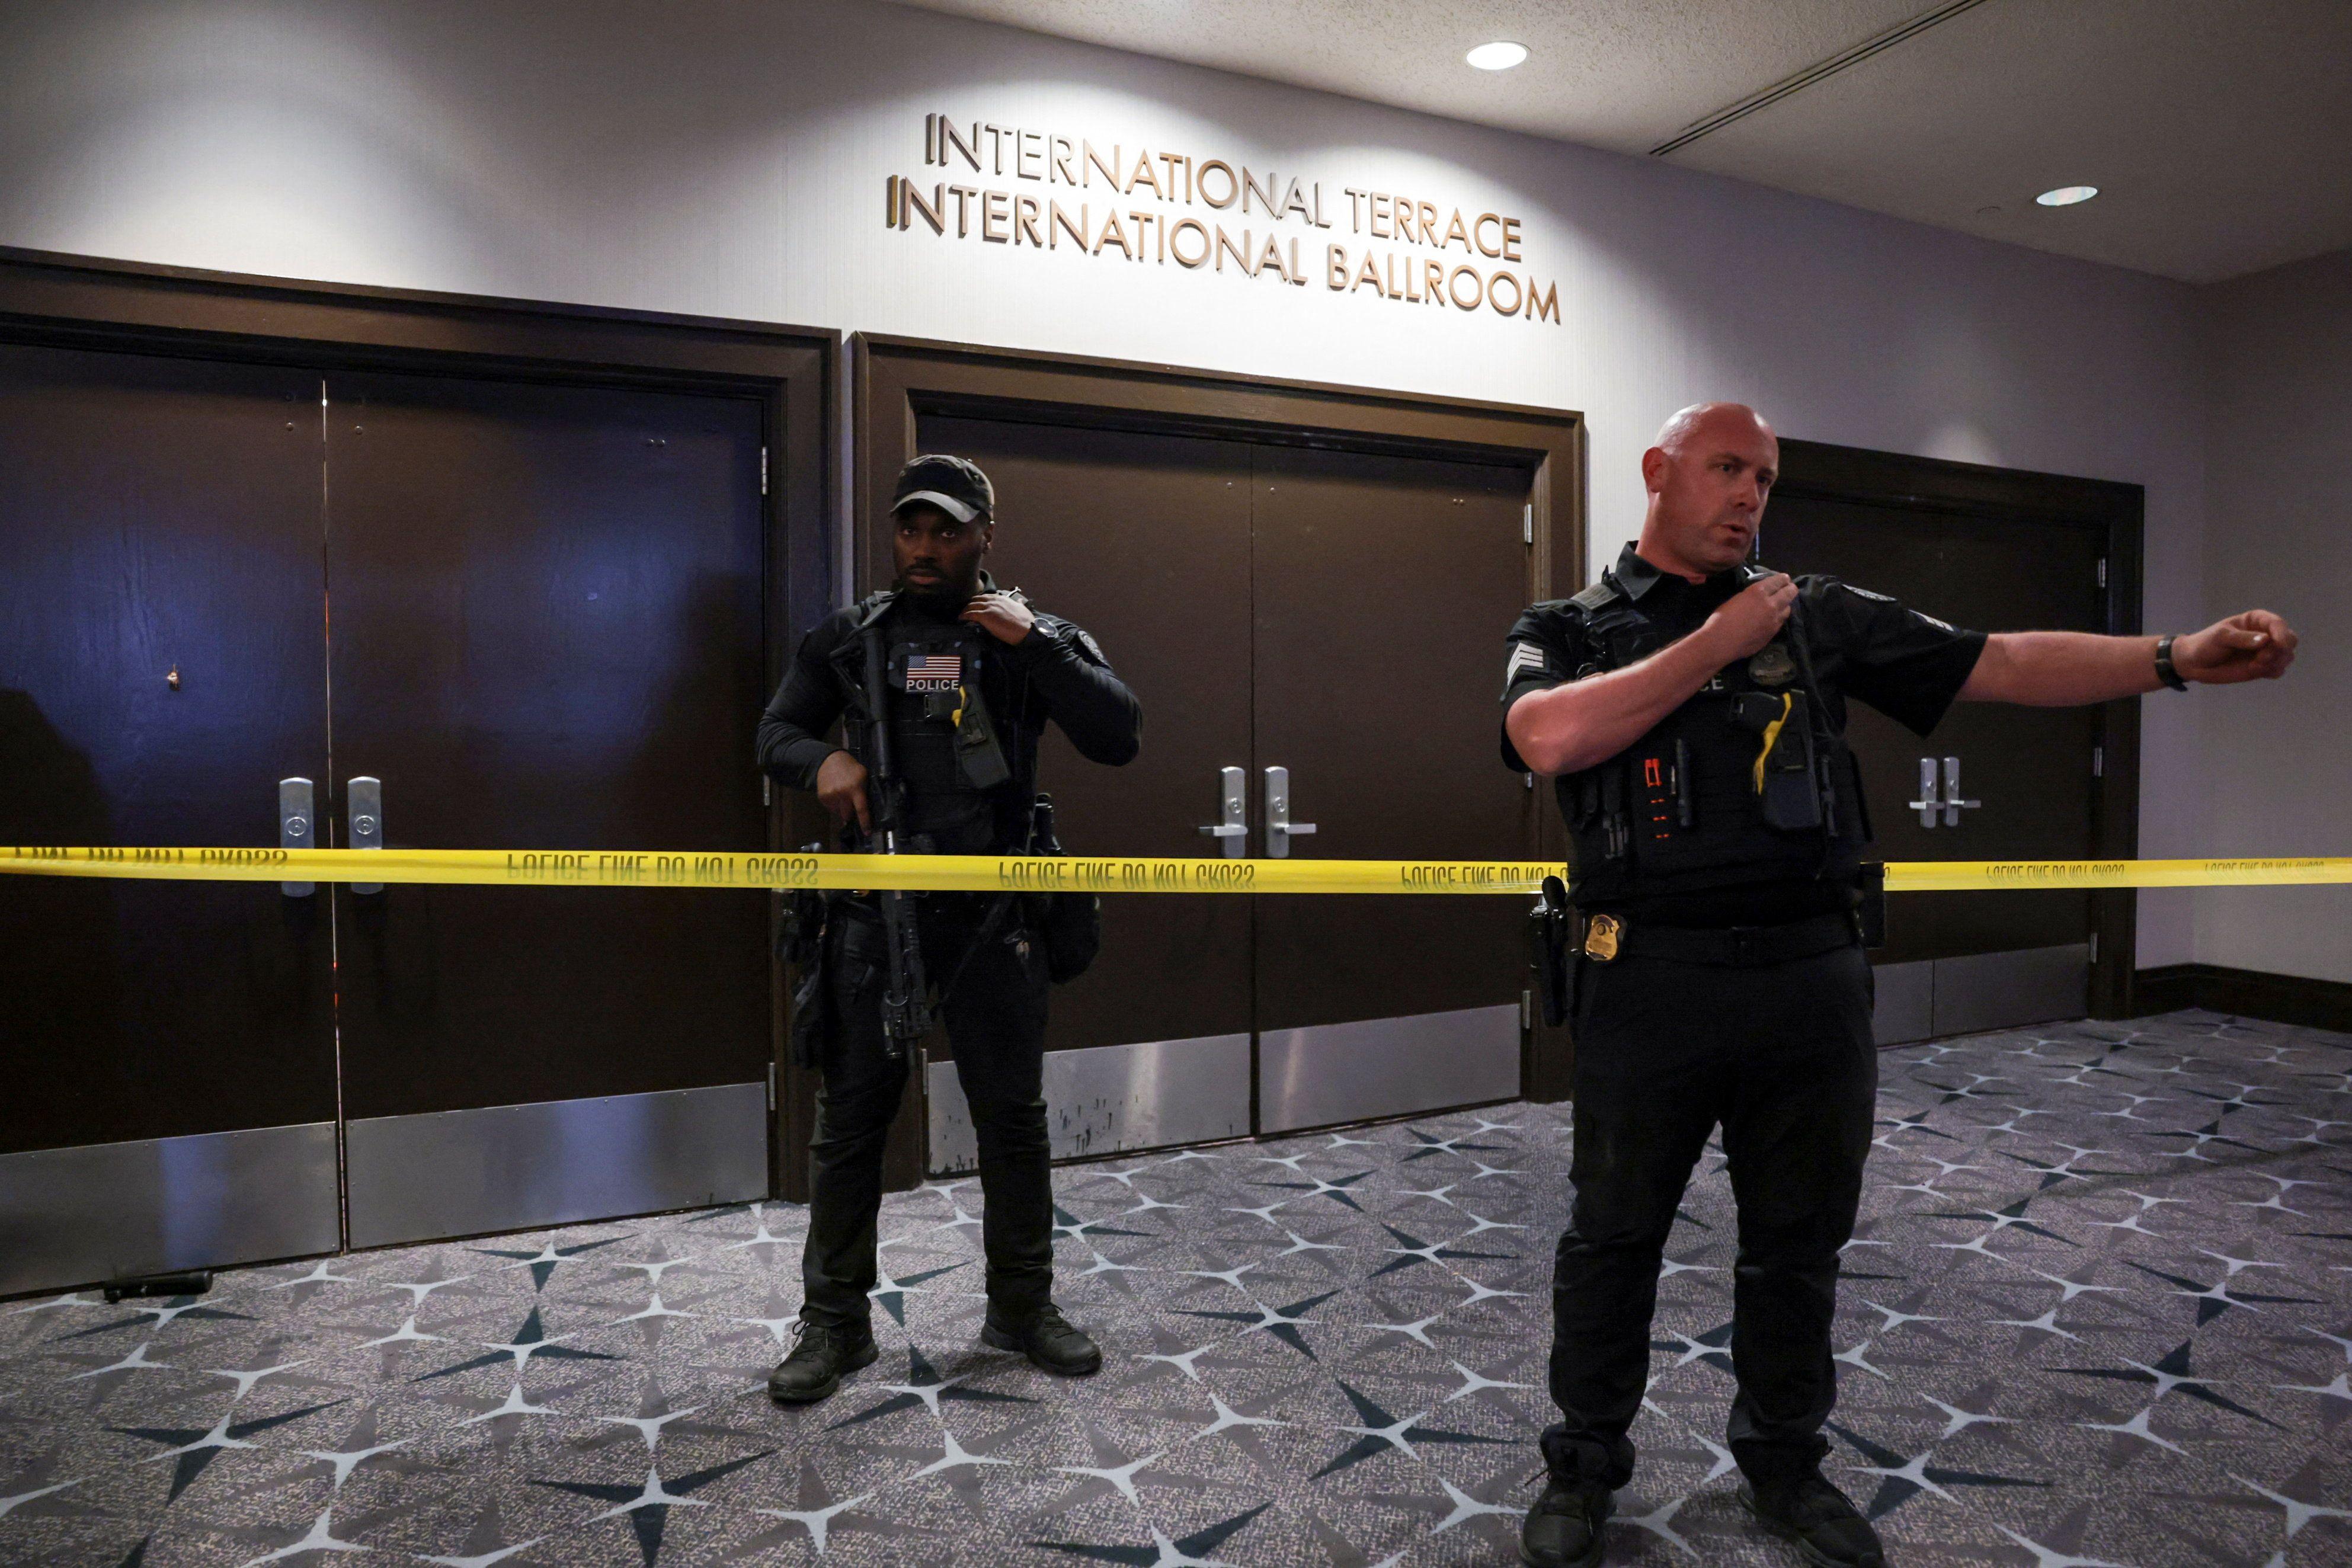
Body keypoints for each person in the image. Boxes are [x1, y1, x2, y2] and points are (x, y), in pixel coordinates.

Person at [1502, 403, 2297, 1568]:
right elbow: (1545, 739)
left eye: (1763, 479)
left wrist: (2169, 659)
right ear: (1657, 472)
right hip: (1645, 979)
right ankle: (1582, 1467)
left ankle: (1783, 1465)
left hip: (1807, 981)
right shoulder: (1567, 625)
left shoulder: (1812, 616)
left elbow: (1999, 661)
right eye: (1725, 470)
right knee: (1612, 1235)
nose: (1747, 496)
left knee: (1796, 1241)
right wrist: (1713, 648)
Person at [755, 453, 1141, 1402]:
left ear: (985, 537)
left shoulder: (1028, 634)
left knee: (1011, 1121)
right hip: (871, 913)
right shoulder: (853, 636)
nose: (924, 548)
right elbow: (773, 733)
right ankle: (835, 1325)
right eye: (910, 529)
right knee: (850, 1127)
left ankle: (1020, 1307)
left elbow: (1118, 733)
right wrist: (822, 764)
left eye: (947, 530)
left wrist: (1035, 642)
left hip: (992, 917)